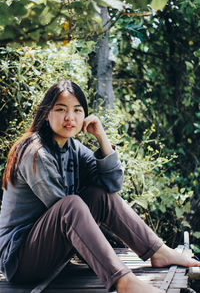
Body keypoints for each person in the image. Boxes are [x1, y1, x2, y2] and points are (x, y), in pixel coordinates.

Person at [0, 80, 199, 293]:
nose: (70, 117)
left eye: (77, 110)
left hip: (49, 252)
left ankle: (158, 252)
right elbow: (63, 211)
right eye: (60, 109)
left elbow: (111, 185)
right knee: (71, 205)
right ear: (46, 114)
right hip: (21, 261)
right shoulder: (36, 153)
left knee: (99, 194)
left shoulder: (72, 148)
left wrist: (101, 137)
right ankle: (123, 281)